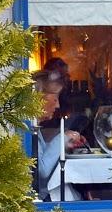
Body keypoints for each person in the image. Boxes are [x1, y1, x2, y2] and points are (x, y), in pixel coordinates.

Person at [32, 69, 85, 200]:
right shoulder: (28, 128)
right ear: (39, 98)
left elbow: (42, 153)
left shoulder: (34, 126)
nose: (58, 105)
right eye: (55, 99)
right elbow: (41, 171)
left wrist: (65, 142)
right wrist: (62, 138)